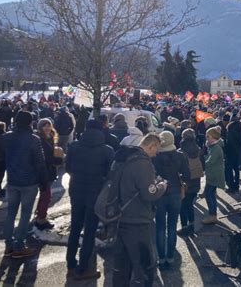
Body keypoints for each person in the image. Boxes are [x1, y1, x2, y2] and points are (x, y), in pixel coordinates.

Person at [112, 133, 167, 287]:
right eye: (156, 150)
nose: (155, 155)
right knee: (144, 264)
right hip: (137, 219)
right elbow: (149, 194)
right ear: (151, 146)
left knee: (122, 264)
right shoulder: (143, 163)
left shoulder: (123, 158)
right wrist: (162, 185)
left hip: (119, 215)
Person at [65, 119, 114, 280]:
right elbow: (110, 174)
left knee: (75, 226)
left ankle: (71, 262)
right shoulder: (107, 150)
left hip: (76, 189)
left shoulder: (74, 146)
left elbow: (68, 168)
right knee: (90, 230)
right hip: (95, 192)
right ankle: (83, 267)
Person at [2, 111, 46, 258]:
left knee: (10, 213)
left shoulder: (7, 137)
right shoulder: (34, 139)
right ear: (30, 123)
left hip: (12, 180)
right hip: (29, 182)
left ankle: (8, 246)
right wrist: (44, 182)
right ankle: (19, 246)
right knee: (25, 215)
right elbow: (40, 163)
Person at [153, 131, 190, 269]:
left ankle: (161, 259)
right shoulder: (180, 155)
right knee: (172, 226)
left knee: (160, 227)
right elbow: (187, 175)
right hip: (175, 192)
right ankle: (170, 257)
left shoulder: (155, 156)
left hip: (159, 193)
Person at [34, 118, 64, 230]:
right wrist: (57, 160)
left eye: (49, 125)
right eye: (44, 125)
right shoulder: (40, 139)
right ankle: (41, 219)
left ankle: (39, 214)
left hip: (50, 170)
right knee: (46, 195)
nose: (47, 128)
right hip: (44, 171)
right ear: (40, 127)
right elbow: (45, 157)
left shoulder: (50, 137)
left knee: (44, 195)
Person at [177, 129, 204, 236]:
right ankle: (192, 226)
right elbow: (203, 166)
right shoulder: (198, 149)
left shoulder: (180, 152)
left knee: (183, 206)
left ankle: (184, 227)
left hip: (184, 183)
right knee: (190, 204)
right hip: (196, 182)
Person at [202, 126, 225, 224]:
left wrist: (202, 157)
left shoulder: (216, 148)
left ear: (213, 137)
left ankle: (212, 215)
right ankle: (212, 213)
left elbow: (209, 161)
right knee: (210, 194)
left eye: (208, 136)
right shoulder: (214, 146)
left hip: (214, 175)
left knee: (209, 194)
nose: (206, 138)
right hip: (213, 174)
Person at [225, 114, 241, 193]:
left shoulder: (230, 129)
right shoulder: (240, 129)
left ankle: (231, 186)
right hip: (238, 151)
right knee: (236, 169)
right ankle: (236, 185)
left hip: (231, 151)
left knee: (229, 169)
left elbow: (230, 142)